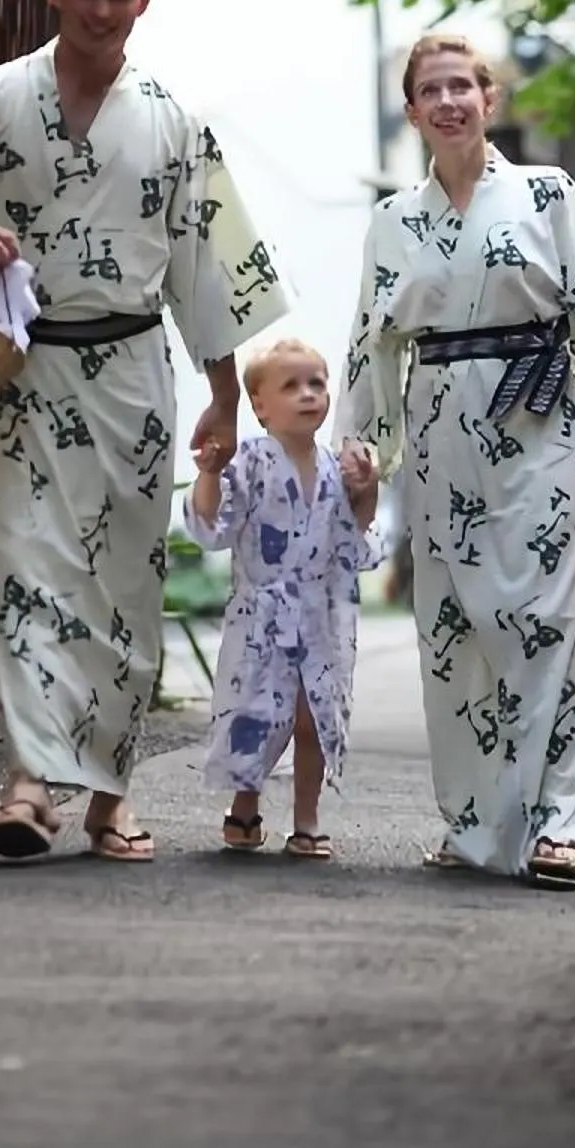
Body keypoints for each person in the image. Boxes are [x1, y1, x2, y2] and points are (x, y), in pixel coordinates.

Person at [0, 0, 290, 863]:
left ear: (143, 1)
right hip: (24, 372)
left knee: (122, 587)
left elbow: (204, 271)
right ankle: (30, 784)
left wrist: (227, 400)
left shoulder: (175, 121)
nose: (104, 11)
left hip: (132, 377)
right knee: (24, 570)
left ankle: (110, 791)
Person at [337, 33, 575, 887]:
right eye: (432, 89)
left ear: (489, 100)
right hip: (442, 431)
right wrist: (363, 445)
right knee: (454, 629)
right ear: (413, 110)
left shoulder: (547, 194)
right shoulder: (392, 222)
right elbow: (370, 341)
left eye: (464, 85)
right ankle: (476, 826)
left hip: (541, 423)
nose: (449, 101)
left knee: (555, 619)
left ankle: (565, 824)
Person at [186, 339, 382, 861]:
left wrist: (368, 493)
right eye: (291, 385)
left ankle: (307, 818)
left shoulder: (338, 467)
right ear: (259, 404)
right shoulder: (249, 460)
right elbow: (213, 526)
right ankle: (245, 803)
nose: (308, 394)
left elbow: (353, 540)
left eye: (316, 383)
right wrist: (209, 472)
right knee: (257, 713)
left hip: (320, 618)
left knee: (312, 718)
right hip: (262, 622)